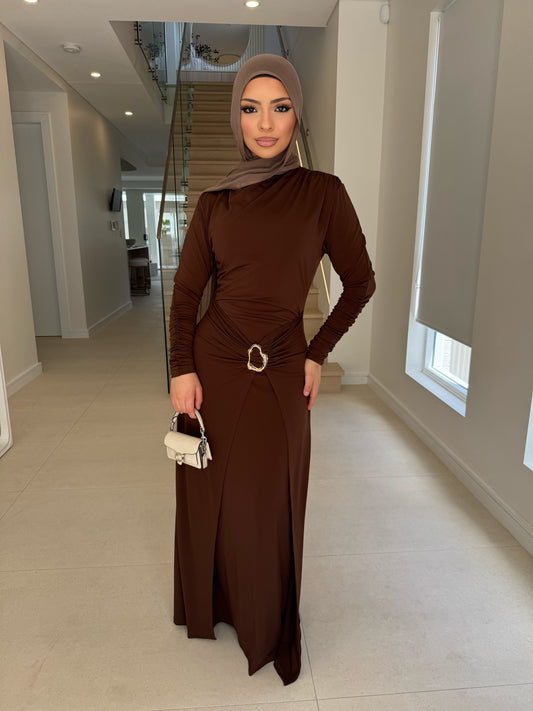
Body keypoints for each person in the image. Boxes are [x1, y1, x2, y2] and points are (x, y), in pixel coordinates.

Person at [169, 53, 375, 685]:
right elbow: (185, 294)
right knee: (212, 492)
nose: (265, 124)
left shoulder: (323, 194)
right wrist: (181, 369)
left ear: (296, 115)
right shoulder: (215, 202)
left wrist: (317, 351)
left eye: (279, 108)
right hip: (214, 363)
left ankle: (265, 620)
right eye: (250, 108)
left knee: (267, 501)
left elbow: (361, 282)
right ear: (237, 117)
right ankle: (212, 603)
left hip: (283, 366)